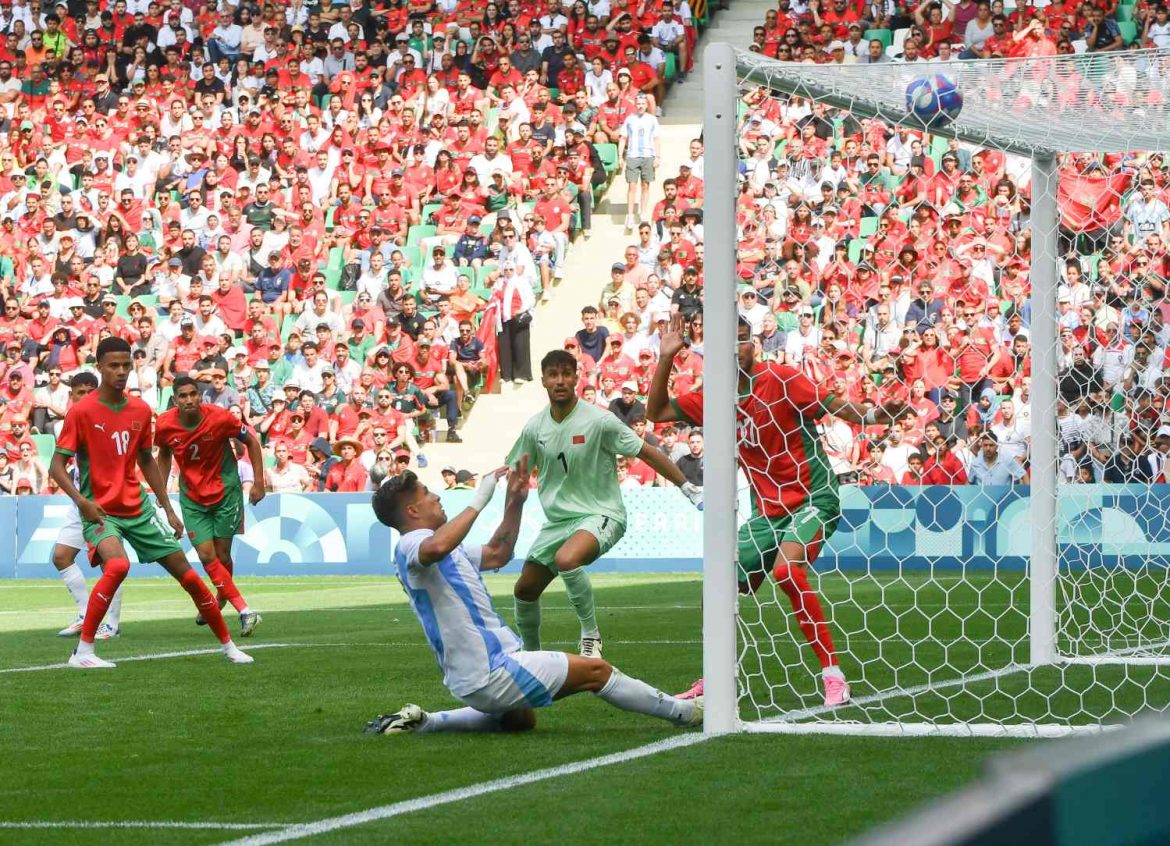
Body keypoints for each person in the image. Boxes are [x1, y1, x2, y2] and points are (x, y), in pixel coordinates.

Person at [647, 316, 906, 706]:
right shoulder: (715, 397)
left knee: (786, 571)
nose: (739, 348)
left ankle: (833, 675)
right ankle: (716, 676)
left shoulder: (782, 379)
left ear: (756, 344)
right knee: (717, 585)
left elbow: (834, 405)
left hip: (814, 498)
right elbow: (658, 411)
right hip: (767, 512)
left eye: (744, 340)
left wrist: (873, 417)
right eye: (730, 343)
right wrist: (666, 357)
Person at [365, 458, 703, 735]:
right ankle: (686, 712)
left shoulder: (441, 545)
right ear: (412, 511)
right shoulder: (412, 543)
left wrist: (515, 500)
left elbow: (498, 553)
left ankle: (425, 722)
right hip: (490, 669)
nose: (436, 496)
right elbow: (436, 547)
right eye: (427, 493)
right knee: (596, 672)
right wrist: (478, 500)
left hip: (472, 675)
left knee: (519, 720)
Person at [49, 338, 253, 669]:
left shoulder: (141, 410)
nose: (120, 371)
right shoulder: (82, 412)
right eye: (113, 365)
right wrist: (82, 501)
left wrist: (167, 508)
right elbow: (56, 466)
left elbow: (147, 459)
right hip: (100, 510)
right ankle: (83, 652)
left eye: (126, 365)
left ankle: (229, 646)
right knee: (117, 565)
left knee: (187, 575)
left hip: (138, 507)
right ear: (99, 367)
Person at [505, 349, 702, 659]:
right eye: (553, 375)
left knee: (568, 559)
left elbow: (647, 452)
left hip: (602, 513)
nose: (560, 381)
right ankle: (530, 658)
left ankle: (591, 635)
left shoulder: (599, 420)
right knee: (524, 590)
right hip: (558, 523)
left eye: (566, 374)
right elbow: (514, 474)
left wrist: (687, 486)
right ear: (543, 380)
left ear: (576, 378)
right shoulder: (534, 428)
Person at [155, 376, 266, 636]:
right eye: (183, 396)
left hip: (226, 493)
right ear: (175, 400)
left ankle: (221, 596)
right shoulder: (165, 424)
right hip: (192, 498)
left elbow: (251, 441)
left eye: (193, 393)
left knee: (222, 555)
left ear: (199, 396)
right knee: (206, 555)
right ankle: (245, 610)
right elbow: (164, 455)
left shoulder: (220, 417)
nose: (189, 399)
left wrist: (259, 482)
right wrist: (160, 491)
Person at [51, 372, 124, 640]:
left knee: (111, 563)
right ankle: (85, 614)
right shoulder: (67, 423)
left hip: (106, 502)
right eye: (79, 392)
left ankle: (112, 625)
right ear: (71, 396)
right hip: (80, 501)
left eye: (89, 391)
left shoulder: (109, 419)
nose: (85, 397)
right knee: (61, 556)